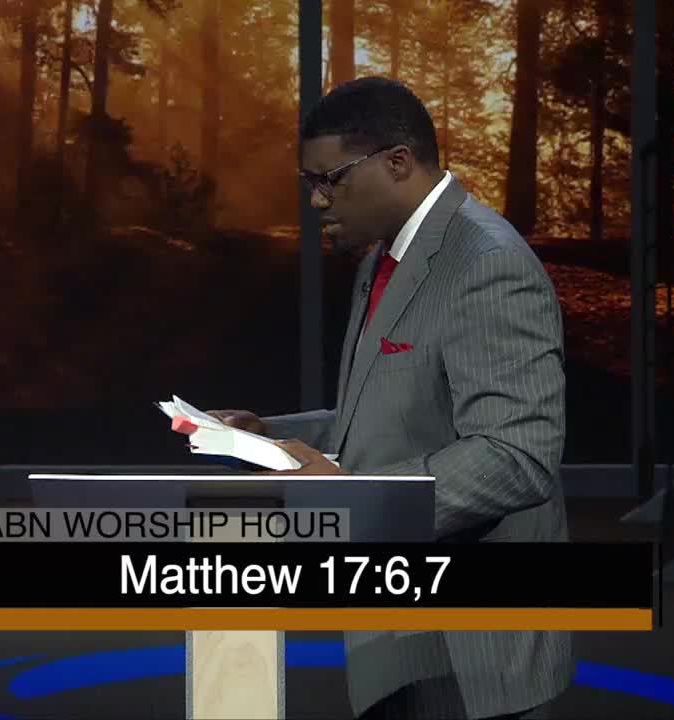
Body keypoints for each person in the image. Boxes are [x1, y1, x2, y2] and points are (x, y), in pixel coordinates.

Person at [209, 76, 573, 720]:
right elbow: (382, 419)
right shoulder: (383, 260)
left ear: (397, 162)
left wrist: (359, 499)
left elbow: (517, 455)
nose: (318, 200)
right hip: (398, 624)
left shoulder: (486, 262)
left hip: (470, 647)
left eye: (330, 179)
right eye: (310, 183)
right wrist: (267, 435)